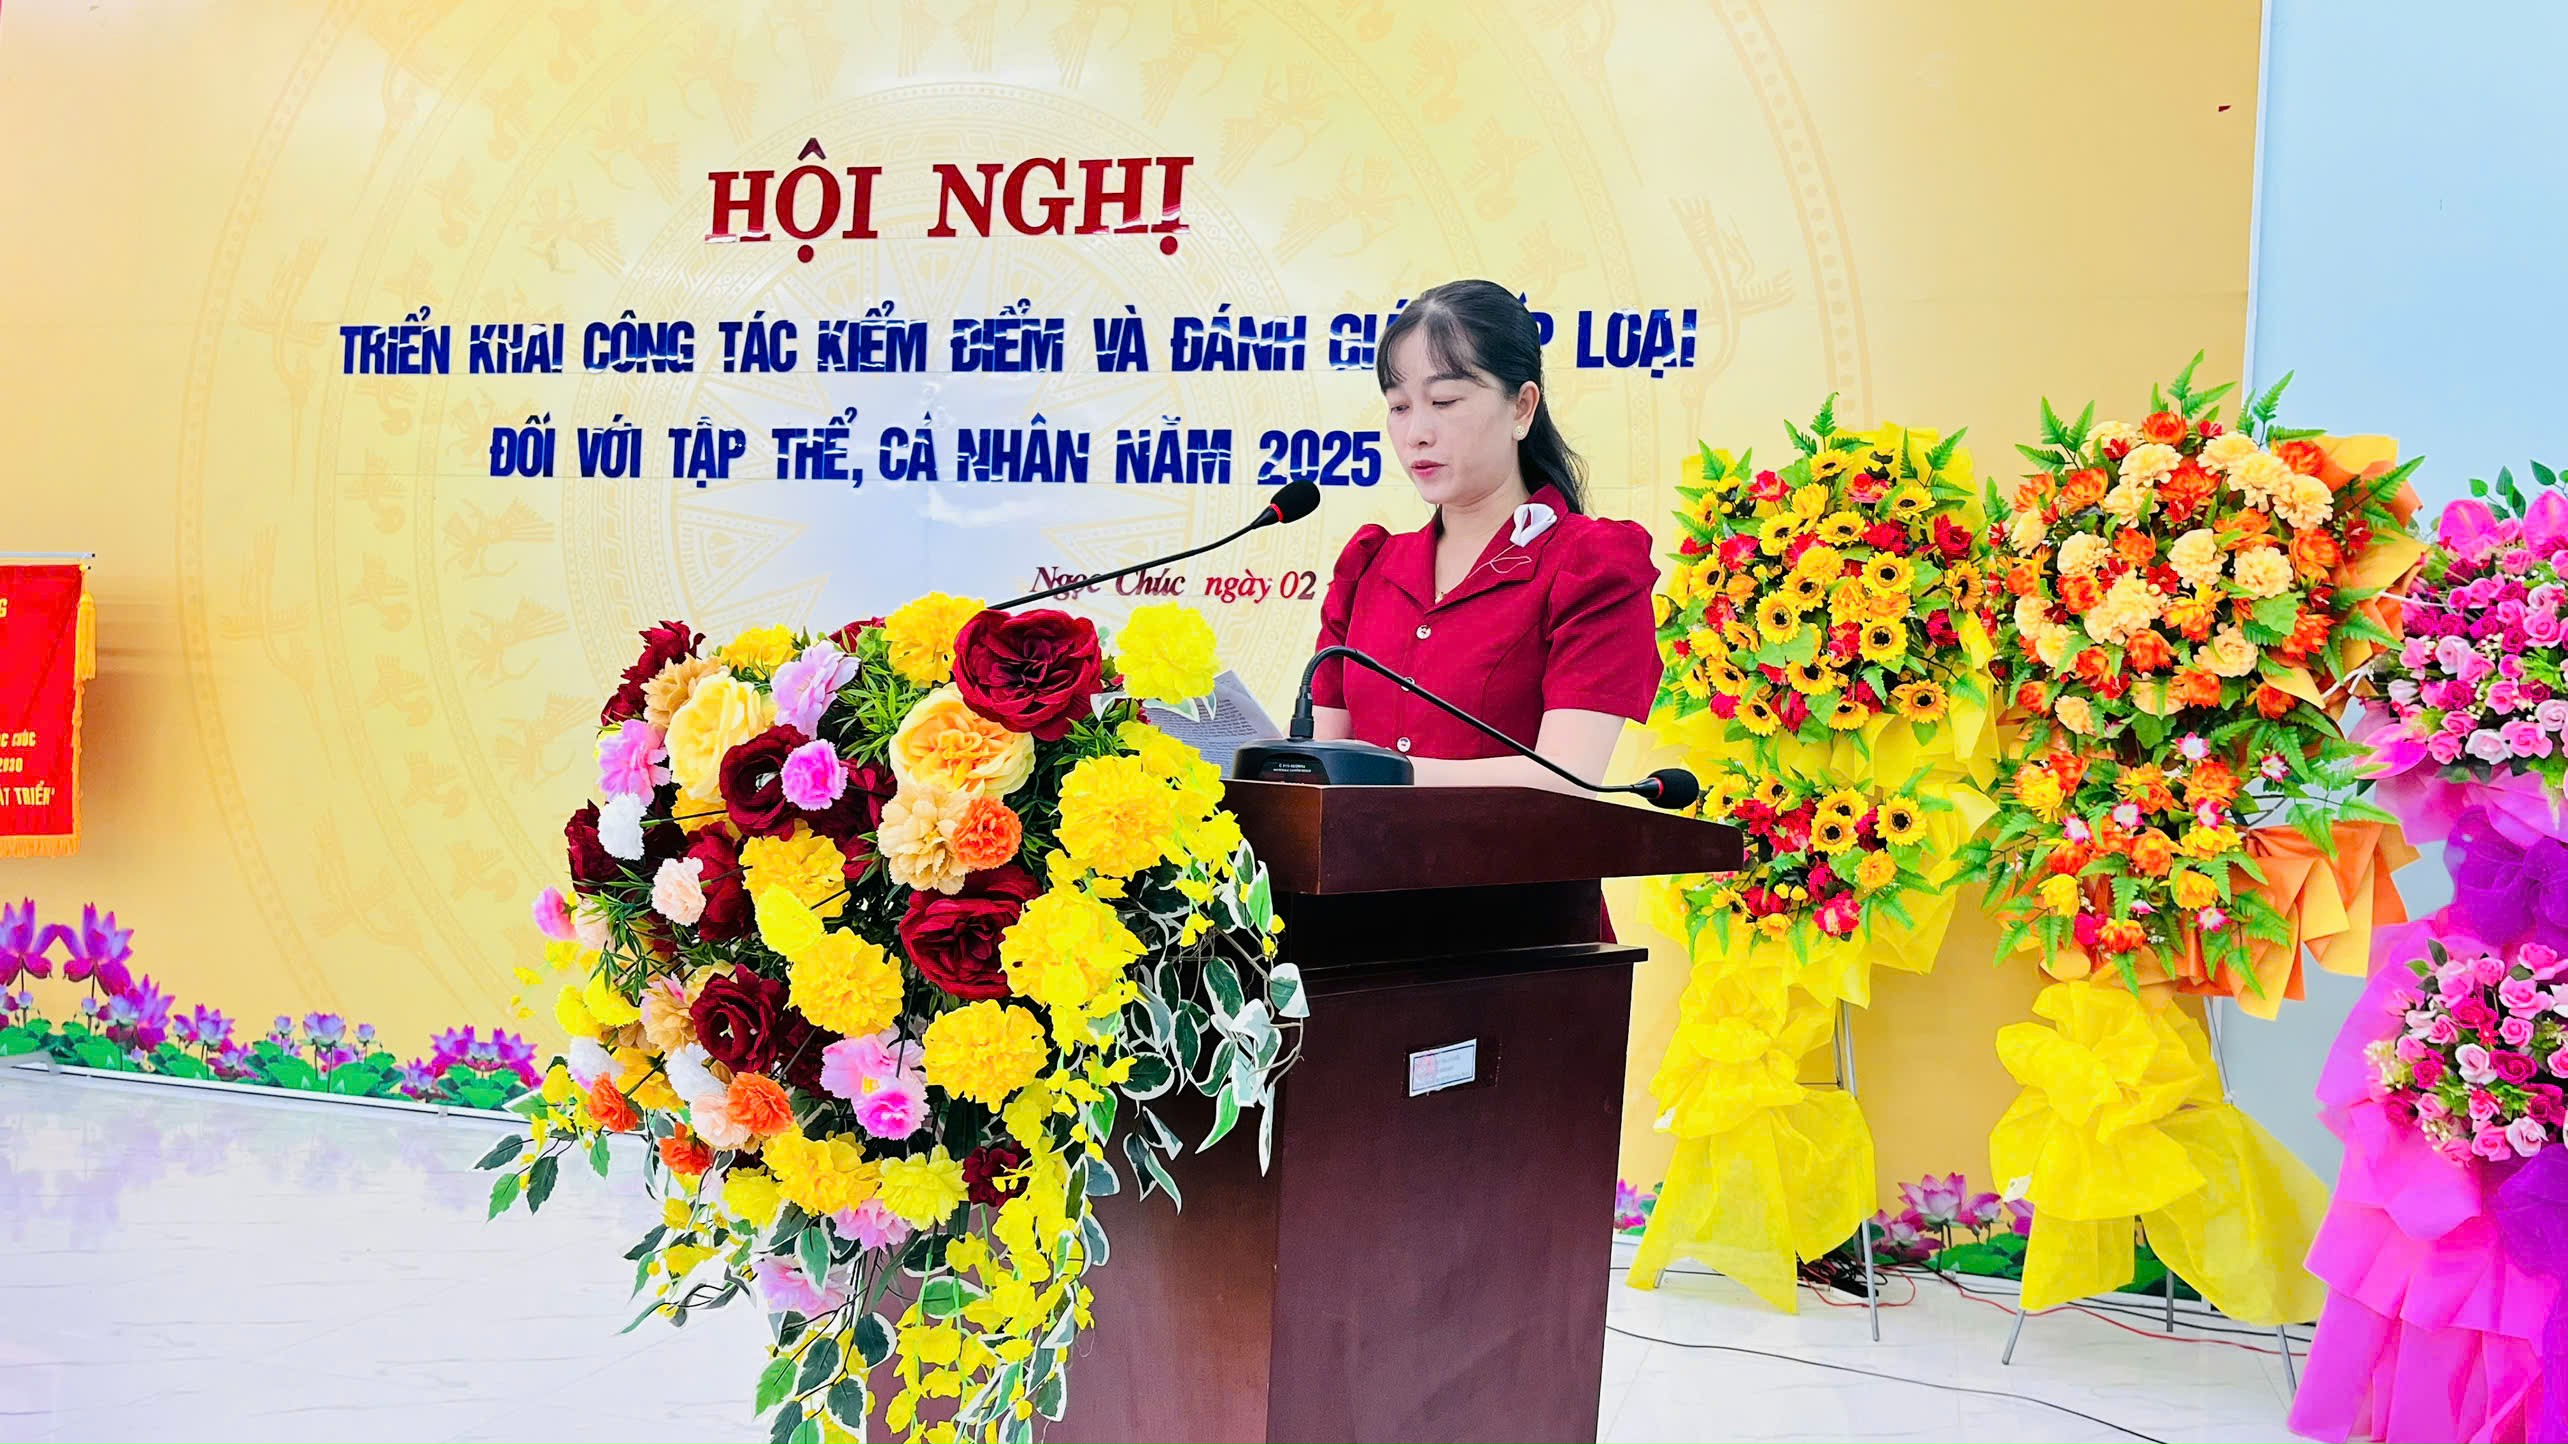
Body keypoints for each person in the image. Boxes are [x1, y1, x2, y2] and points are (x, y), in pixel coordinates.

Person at [1308, 279, 1660, 791]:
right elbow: (1320, 764)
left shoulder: (1591, 565)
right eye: (1399, 407)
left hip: (1515, 848)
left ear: (1522, 407)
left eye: (1445, 401)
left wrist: (1380, 776)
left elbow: (1568, 776)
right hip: (1359, 848)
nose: (1416, 434)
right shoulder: (1369, 568)